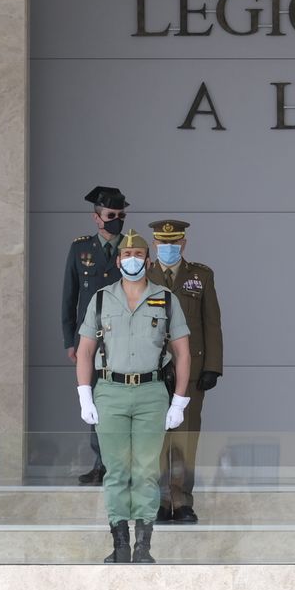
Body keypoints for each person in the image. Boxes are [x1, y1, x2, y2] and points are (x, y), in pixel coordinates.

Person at [74, 229, 192, 564]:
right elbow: (85, 351)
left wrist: (179, 400)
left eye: (138, 255)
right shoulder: (101, 298)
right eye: (126, 256)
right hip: (110, 391)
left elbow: (183, 353)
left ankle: (143, 546)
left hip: (151, 392)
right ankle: (120, 543)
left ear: (148, 260)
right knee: (116, 471)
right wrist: (85, 395)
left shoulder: (166, 298)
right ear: (118, 261)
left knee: (145, 470)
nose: (132, 261)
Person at [147, 218, 224, 524]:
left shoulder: (200, 276)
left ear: (184, 244)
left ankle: (182, 501)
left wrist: (212, 366)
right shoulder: (145, 275)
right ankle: (159, 502)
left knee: (185, 437)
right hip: (151, 371)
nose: (169, 248)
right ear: (155, 245)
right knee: (155, 440)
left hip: (190, 370)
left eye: (174, 243)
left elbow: (212, 323)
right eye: (163, 243)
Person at [61, 186, 128, 485]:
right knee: (95, 401)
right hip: (90, 340)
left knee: (124, 400)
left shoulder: (133, 248)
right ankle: (100, 463)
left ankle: (122, 465)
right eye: (111, 215)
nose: (117, 220)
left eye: (121, 215)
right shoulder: (80, 249)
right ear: (97, 218)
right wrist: (69, 340)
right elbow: (69, 297)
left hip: (125, 338)